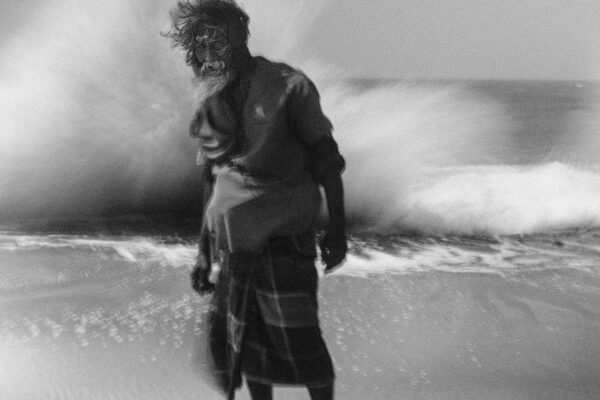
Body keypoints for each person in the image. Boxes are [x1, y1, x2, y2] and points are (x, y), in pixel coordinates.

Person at [166, 1, 347, 399]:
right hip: (236, 250)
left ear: (239, 37)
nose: (207, 56)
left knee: (306, 352)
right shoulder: (211, 99)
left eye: (215, 43)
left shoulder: (289, 87)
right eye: (199, 48)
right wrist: (203, 252)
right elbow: (211, 177)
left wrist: (337, 231)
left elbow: (327, 161)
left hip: (285, 243)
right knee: (248, 354)